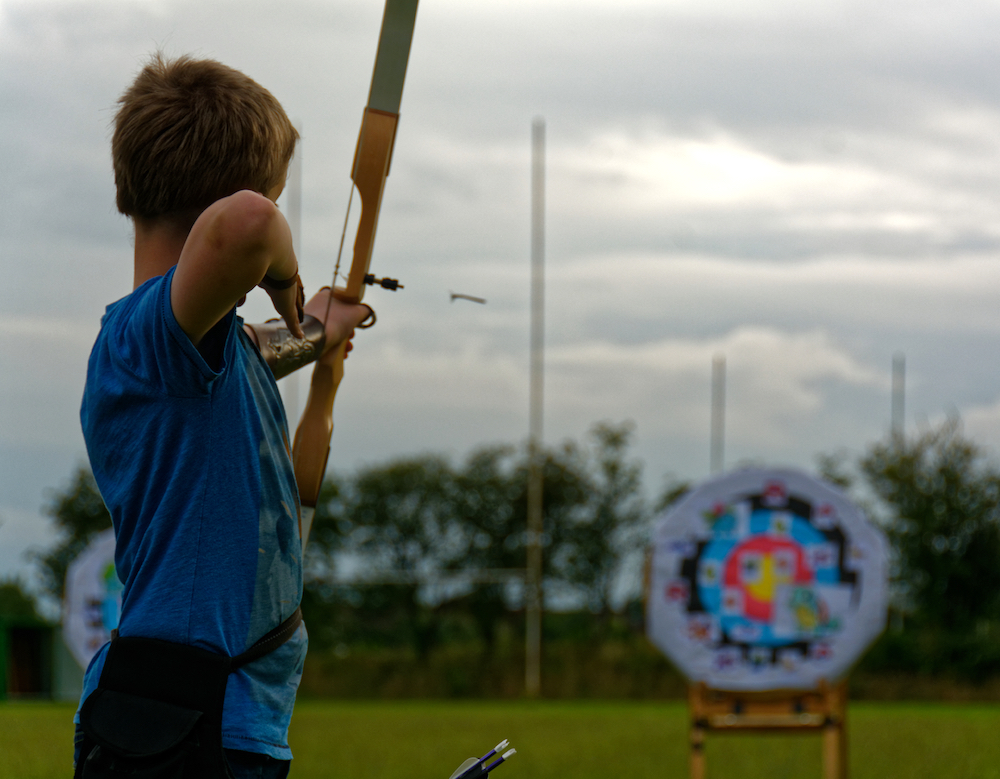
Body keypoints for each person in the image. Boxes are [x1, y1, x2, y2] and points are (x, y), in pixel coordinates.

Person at [73, 53, 370, 779]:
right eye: (277, 192)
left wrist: (315, 331)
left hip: (204, 723)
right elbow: (249, 224)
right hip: (184, 728)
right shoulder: (147, 337)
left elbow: (253, 346)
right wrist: (289, 283)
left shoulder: (195, 350)